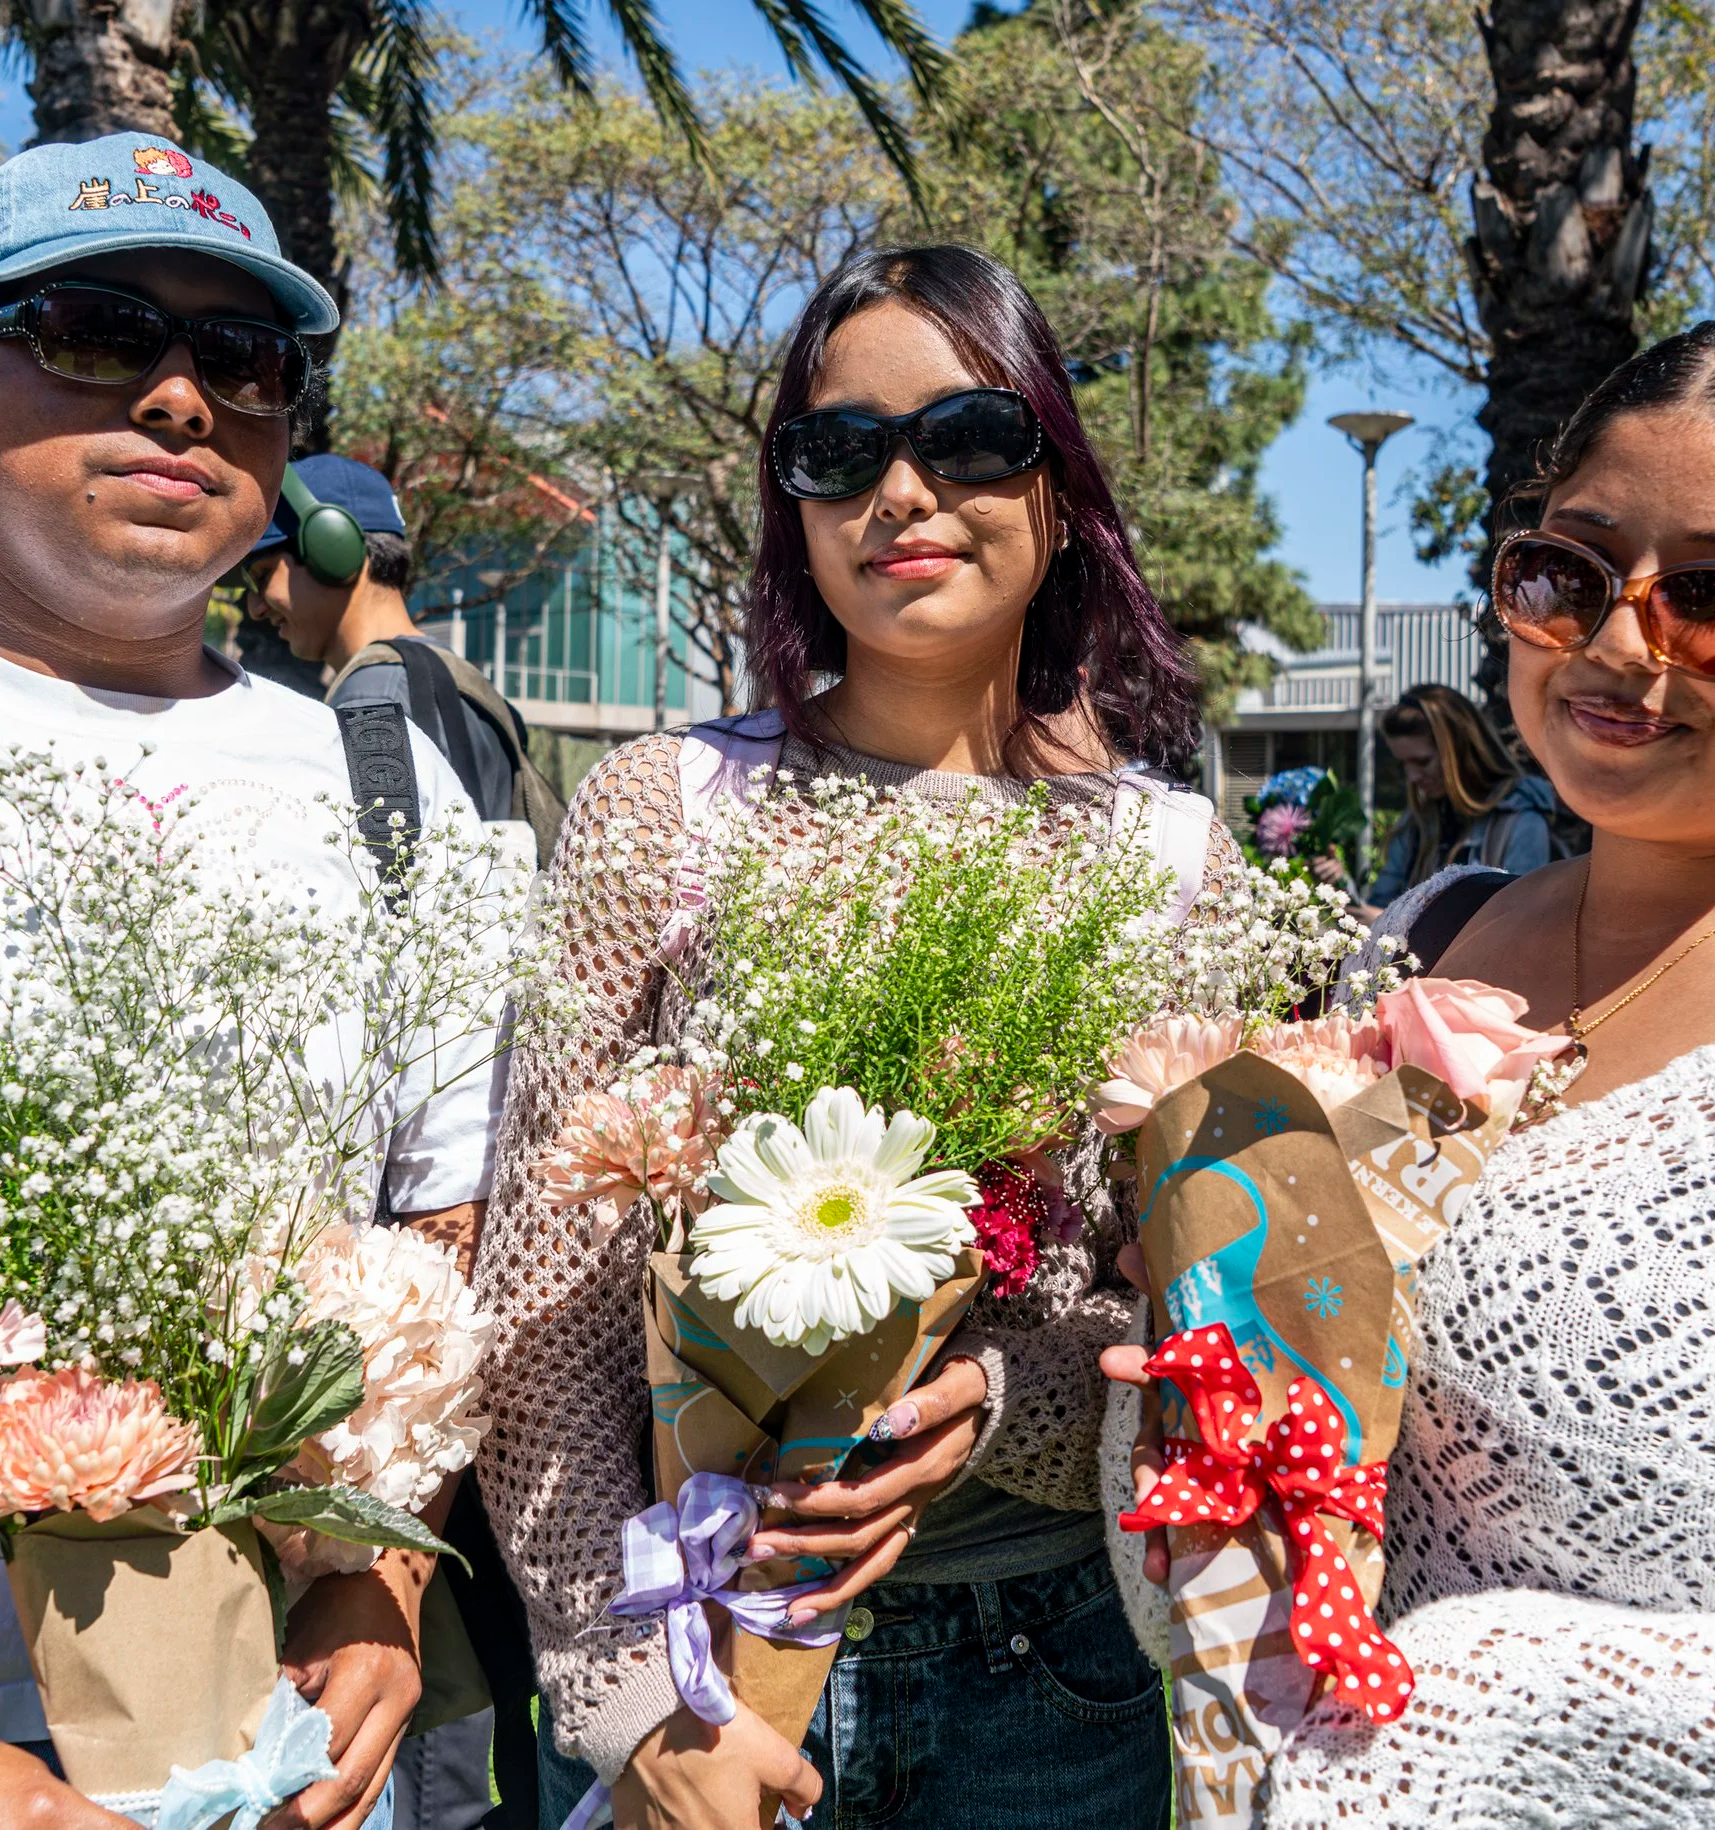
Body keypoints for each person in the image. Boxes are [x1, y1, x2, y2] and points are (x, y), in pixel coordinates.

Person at [473, 243, 1248, 1830]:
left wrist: (997, 1399)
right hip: (691, 1643)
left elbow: (1197, 1317)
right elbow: (542, 1299)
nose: (901, 492)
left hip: (1046, 1675)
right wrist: (631, 1700)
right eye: (837, 451)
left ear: (1058, 488)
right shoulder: (662, 810)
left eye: (968, 437)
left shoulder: (1175, 863)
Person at [1112, 314, 1715, 1825]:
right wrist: (1181, 1379)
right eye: (1565, 574)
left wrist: (1479, 1703)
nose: (1615, 648)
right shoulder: (1423, 935)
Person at [0, 135, 508, 1830]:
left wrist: (377, 1582)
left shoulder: (383, 787)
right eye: (94, 331)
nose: (181, 396)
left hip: (292, 1734)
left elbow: (442, 1216)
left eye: (244, 356)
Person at [242, 454, 565, 867]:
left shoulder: (375, 697)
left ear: (331, 549)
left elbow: (382, 885)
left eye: (264, 575)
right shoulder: (450, 674)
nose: (254, 607)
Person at [1323, 683, 1556, 916]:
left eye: (1422, 761)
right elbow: (1381, 906)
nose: (1412, 776)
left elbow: (1521, 921)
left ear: (1459, 751)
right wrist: (1341, 886)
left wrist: (1390, 925)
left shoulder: (1521, 823)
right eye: (1403, 764)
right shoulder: (1417, 823)